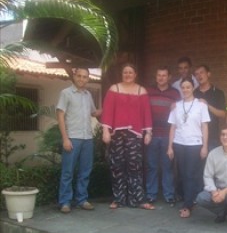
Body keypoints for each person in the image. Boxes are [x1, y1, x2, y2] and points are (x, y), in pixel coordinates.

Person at [101, 63, 154, 210]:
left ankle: (137, 199)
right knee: (117, 166)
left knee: (135, 167)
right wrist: (105, 130)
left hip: (135, 135)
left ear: (135, 74)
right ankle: (118, 199)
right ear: (122, 74)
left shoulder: (141, 91)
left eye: (131, 72)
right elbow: (107, 112)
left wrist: (148, 132)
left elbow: (146, 113)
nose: (128, 75)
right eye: (125, 72)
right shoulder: (114, 89)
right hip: (116, 134)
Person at [56, 68, 102, 213]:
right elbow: (60, 116)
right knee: (68, 172)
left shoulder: (88, 95)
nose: (82, 79)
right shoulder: (66, 93)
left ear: (88, 79)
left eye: (85, 77)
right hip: (72, 138)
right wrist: (65, 138)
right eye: (79, 76)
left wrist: (110, 106)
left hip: (87, 138)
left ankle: (82, 199)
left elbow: (94, 113)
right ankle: (65, 202)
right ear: (74, 76)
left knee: (85, 171)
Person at [167, 76, 210, 218]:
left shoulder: (201, 105)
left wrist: (205, 146)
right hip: (179, 144)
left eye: (188, 87)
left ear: (193, 88)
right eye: (183, 87)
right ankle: (189, 199)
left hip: (195, 144)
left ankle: (187, 205)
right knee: (181, 174)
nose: (185, 90)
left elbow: (204, 126)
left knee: (190, 174)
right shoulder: (176, 106)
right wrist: (170, 147)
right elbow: (173, 127)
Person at [144, 67, 180, 206]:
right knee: (151, 166)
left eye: (164, 75)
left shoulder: (175, 93)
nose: (161, 78)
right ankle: (151, 195)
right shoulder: (149, 91)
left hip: (167, 135)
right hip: (151, 134)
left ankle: (169, 195)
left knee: (167, 166)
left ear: (169, 77)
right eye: (159, 75)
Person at [194, 64, 226, 150]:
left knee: (212, 162)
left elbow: (223, 114)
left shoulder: (218, 93)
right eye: (196, 74)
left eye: (201, 73)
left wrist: (207, 106)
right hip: (196, 137)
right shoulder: (193, 93)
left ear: (208, 74)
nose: (199, 76)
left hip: (213, 136)